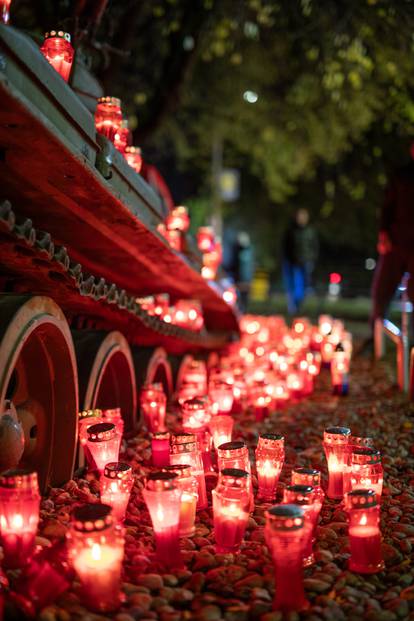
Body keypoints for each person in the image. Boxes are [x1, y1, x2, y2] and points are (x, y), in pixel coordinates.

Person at [371, 145, 414, 326]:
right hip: (396, 241)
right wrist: (384, 233)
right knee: (382, 291)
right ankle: (377, 335)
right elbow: (388, 206)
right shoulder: (401, 175)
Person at [282, 209, 319, 315]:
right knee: (294, 284)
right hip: (293, 262)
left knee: (304, 286)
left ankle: (299, 305)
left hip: (306, 262)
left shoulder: (310, 231)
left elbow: (314, 247)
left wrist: (312, 258)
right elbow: (286, 247)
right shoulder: (291, 231)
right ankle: (293, 306)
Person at [231, 231, 254, 312]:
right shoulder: (248, 251)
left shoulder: (241, 252)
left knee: (242, 296)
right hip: (243, 279)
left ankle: (242, 309)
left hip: (242, 279)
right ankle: (241, 309)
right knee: (242, 296)